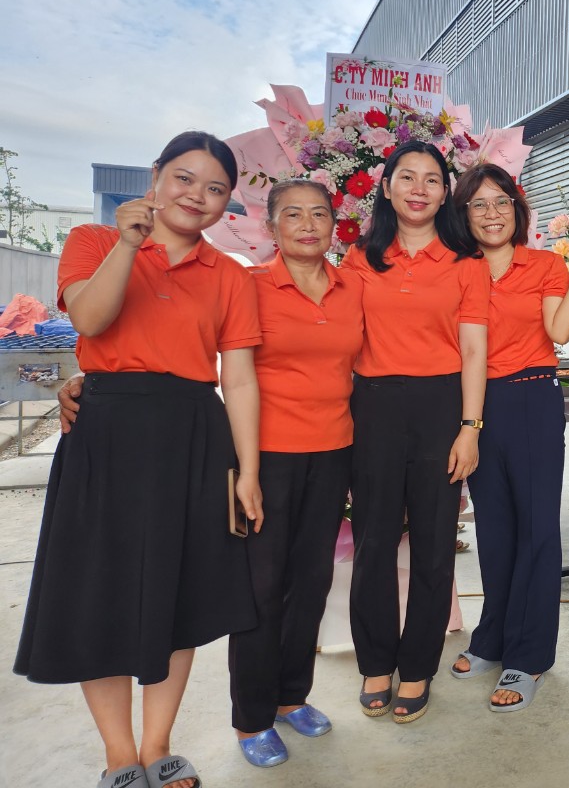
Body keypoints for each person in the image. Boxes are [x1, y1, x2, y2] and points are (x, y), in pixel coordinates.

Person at [17, 132, 262, 788]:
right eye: (184, 179)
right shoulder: (95, 242)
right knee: (101, 593)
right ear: (155, 176)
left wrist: (249, 473)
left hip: (193, 436)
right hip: (107, 433)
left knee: (177, 595)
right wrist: (129, 242)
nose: (197, 197)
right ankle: (119, 756)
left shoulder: (228, 277)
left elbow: (237, 379)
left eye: (215, 189)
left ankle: (158, 746)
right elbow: (92, 321)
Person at [448, 165, 569, 710]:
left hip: (533, 398)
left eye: (501, 203)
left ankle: (530, 655)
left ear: (517, 211)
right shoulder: (457, 268)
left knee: (537, 530)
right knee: (493, 530)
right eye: (478, 204)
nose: (491, 214)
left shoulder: (542, 264)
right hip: (475, 403)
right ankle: (492, 637)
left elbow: (559, 332)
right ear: (463, 214)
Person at [342, 141, 489, 722]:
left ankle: (419, 666)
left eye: (433, 178)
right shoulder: (359, 258)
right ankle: (375, 661)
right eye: (408, 176)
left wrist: (470, 427)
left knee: (433, 546)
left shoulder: (465, 262)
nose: (420, 188)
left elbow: (474, 350)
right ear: (386, 187)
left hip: (439, 407)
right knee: (373, 544)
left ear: (444, 192)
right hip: (371, 407)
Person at [226, 180, 364, 764]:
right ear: (270, 226)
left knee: (312, 581)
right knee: (261, 589)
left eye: (319, 215)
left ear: (334, 224)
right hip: (267, 457)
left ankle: (290, 697)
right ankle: (251, 719)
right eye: (293, 215)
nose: (308, 225)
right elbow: (202, 357)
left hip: (334, 452)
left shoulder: (351, 286)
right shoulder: (248, 286)